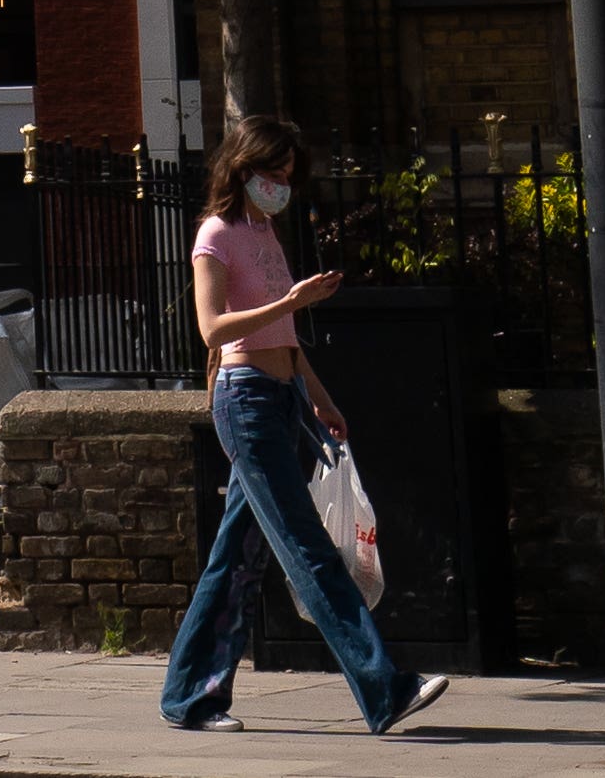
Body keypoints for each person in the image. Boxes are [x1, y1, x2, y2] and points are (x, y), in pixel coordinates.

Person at [162, 115, 449, 738]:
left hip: (281, 396)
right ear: (244, 168)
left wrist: (318, 397)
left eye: (289, 176)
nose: (282, 186)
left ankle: (189, 696)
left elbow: (284, 338)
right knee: (307, 549)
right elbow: (213, 329)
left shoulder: (263, 232)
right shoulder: (215, 235)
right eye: (274, 173)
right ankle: (384, 689)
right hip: (243, 402)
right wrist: (292, 301)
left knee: (235, 557)